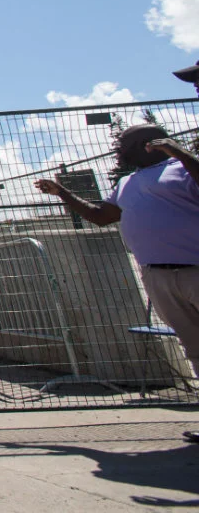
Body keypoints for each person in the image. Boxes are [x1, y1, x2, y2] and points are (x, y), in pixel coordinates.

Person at [36, 124, 199, 445]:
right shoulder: (127, 182)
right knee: (194, 348)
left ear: (149, 144)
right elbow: (100, 216)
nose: (117, 150)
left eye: (122, 144)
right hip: (158, 275)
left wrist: (178, 151)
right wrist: (62, 193)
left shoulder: (182, 168)